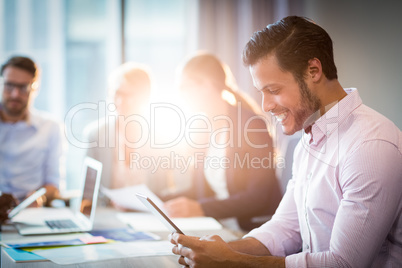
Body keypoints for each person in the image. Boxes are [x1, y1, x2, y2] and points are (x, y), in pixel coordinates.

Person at [169, 16, 402, 267]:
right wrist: (215, 250)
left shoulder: (370, 145)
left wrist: (232, 261)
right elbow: (286, 228)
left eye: (274, 91)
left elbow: (344, 263)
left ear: (313, 71)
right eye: (262, 92)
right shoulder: (308, 141)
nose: (265, 106)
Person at [163, 52, 282, 231]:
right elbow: (197, 191)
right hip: (219, 225)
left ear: (207, 85)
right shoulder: (202, 131)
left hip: (252, 229)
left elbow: (257, 197)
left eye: (184, 87)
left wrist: (201, 208)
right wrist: (152, 200)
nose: (180, 94)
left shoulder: (252, 126)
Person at [83, 62, 165, 204]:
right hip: (110, 216)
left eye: (129, 95)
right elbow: (88, 193)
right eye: (117, 94)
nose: (121, 101)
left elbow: (167, 189)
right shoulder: (96, 135)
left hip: (149, 217)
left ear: (144, 97)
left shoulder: (161, 138)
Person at [0, 56, 64, 211]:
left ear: (35, 88)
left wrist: (39, 197)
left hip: (31, 213)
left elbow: (53, 184)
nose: (15, 94)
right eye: (9, 86)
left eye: (23, 88)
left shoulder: (50, 128)